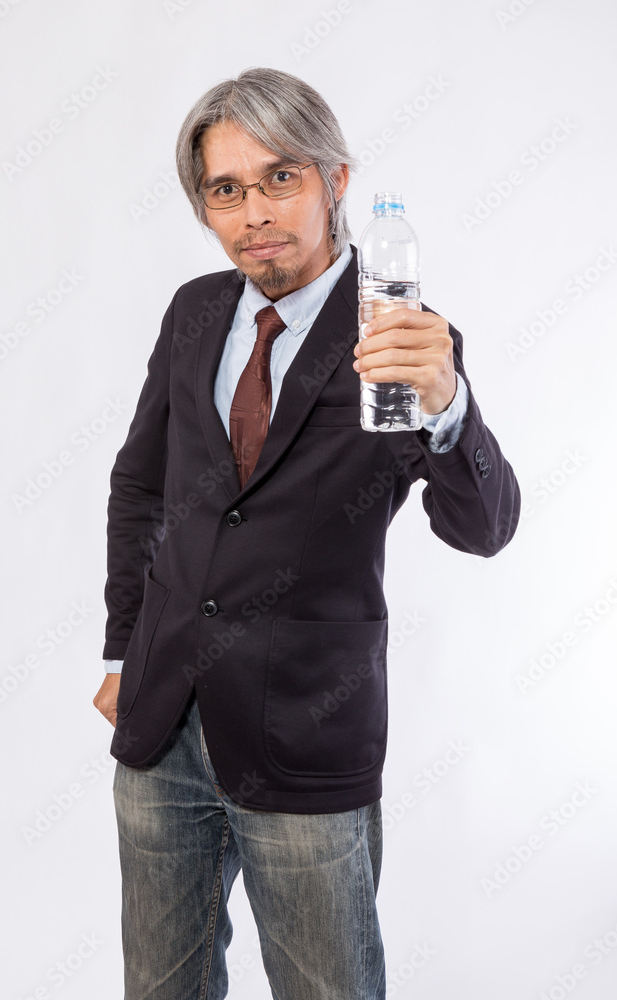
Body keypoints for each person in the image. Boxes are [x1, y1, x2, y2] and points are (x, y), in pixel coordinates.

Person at [93, 66, 520, 1000]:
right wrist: (125, 650)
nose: (255, 213)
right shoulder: (195, 310)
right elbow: (140, 486)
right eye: (225, 189)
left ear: (335, 180)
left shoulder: (399, 334)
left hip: (305, 727)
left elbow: (483, 528)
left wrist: (447, 407)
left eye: (280, 178)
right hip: (161, 724)